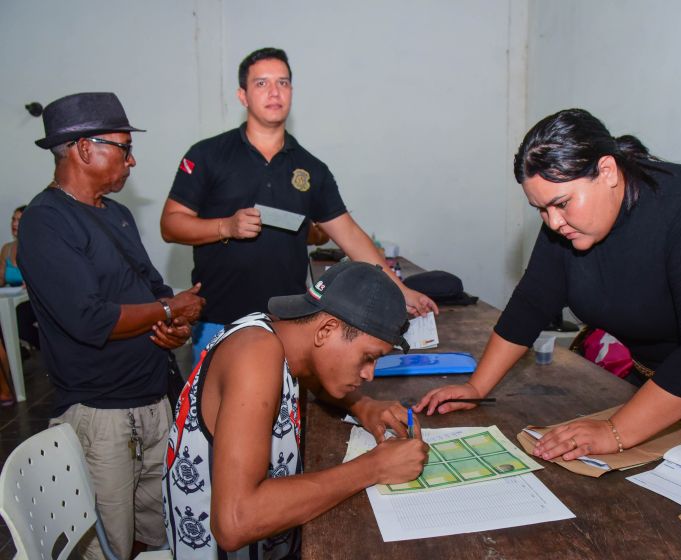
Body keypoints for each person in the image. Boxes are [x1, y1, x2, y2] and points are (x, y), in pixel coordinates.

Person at [416, 108, 681, 473]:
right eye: (541, 210)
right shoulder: (566, 224)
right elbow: (531, 303)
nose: (552, 222)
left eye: (561, 204)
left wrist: (617, 431)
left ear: (607, 170)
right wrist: (475, 386)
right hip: (665, 387)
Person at [160, 47, 437, 365]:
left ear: (292, 91)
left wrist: (400, 289)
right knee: (213, 413)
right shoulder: (208, 155)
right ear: (242, 95)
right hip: (218, 321)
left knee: (284, 414)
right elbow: (170, 224)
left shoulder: (312, 169)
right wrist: (225, 226)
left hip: (287, 323)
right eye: (261, 83)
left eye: (283, 82)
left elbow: (349, 234)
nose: (274, 92)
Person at [18, 92, 206, 559]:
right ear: (84, 148)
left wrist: (176, 324)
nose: (132, 159)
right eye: (123, 147)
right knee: (109, 545)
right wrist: (169, 312)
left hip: (152, 402)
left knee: (164, 530)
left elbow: (155, 289)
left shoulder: (117, 215)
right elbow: (90, 318)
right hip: (101, 415)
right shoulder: (46, 222)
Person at [163, 261, 428, 559]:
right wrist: (374, 467)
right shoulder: (254, 356)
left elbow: (309, 374)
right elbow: (235, 522)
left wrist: (362, 405)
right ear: (326, 330)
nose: (370, 374)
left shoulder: (282, 335)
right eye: (367, 357)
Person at [1, 205, 40, 352]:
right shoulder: (7, 248)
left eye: (19, 220)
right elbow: (1, 277)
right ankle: (13, 357)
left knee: (18, 320)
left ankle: (50, 352)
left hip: (34, 301)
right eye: (13, 219)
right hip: (13, 300)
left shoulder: (36, 246)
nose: (14, 223)